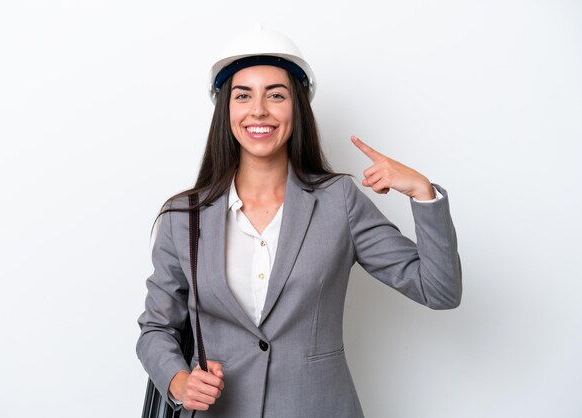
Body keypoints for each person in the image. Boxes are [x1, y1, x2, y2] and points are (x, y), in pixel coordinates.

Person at [136, 25, 462, 418]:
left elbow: (440, 291)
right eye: (244, 96)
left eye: (276, 95)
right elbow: (156, 328)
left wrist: (422, 194)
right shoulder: (183, 217)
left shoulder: (338, 201)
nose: (259, 109)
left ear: (297, 108)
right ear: (227, 110)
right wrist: (179, 381)